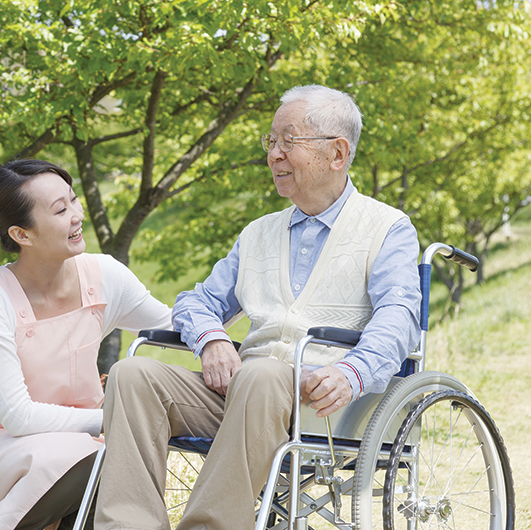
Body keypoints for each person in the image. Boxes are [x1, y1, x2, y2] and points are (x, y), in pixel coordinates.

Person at [95, 85, 421, 530]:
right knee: (133, 375)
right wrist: (211, 340)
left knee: (262, 373)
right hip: (243, 392)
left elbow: (399, 317)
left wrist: (352, 372)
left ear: (338, 153)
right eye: (271, 141)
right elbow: (196, 301)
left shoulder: (387, 228)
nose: (274, 154)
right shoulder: (257, 234)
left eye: (289, 141)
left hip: (324, 403)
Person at [0, 159, 171, 530]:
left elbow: (172, 326)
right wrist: (112, 419)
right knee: (101, 458)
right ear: (22, 234)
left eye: (74, 200)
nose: (77, 215)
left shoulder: (105, 275)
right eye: (61, 210)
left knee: (112, 473)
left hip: (83, 443)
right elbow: (17, 417)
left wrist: (235, 307)